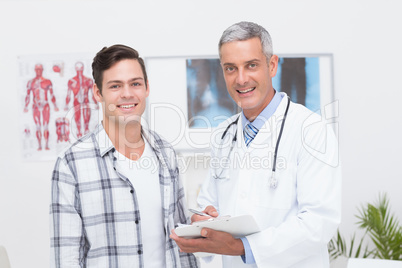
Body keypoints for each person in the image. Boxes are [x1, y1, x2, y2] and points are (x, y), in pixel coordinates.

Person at [170, 21, 342, 267]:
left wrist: (242, 247)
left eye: (251, 65)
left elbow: (318, 223)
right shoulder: (223, 134)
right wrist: (202, 221)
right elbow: (209, 204)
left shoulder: (312, 130)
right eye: (230, 68)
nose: (241, 79)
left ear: (272, 65)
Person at [50, 44, 198, 268]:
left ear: (147, 88)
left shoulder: (166, 153)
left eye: (135, 83)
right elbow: (66, 258)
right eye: (115, 86)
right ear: (98, 93)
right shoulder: (71, 164)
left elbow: (182, 243)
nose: (127, 93)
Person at [23, 64, 59, 150]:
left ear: (42, 70)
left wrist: (55, 106)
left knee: (46, 125)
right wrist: (26, 106)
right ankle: (39, 145)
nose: (38, 71)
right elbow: (28, 95)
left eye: (40, 69)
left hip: (46, 105)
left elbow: (52, 94)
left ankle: (46, 145)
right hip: (35, 106)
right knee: (38, 126)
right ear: (35, 70)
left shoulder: (47, 81)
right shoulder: (30, 82)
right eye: (37, 69)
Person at [64, 61, 98, 138]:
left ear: (83, 69)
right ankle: (79, 134)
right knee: (77, 119)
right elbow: (69, 94)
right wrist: (66, 105)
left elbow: (92, 94)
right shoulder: (71, 81)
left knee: (86, 120)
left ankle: (86, 134)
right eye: (78, 69)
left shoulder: (88, 80)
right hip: (76, 102)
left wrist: (95, 103)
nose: (79, 71)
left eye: (81, 69)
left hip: (86, 101)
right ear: (75, 69)